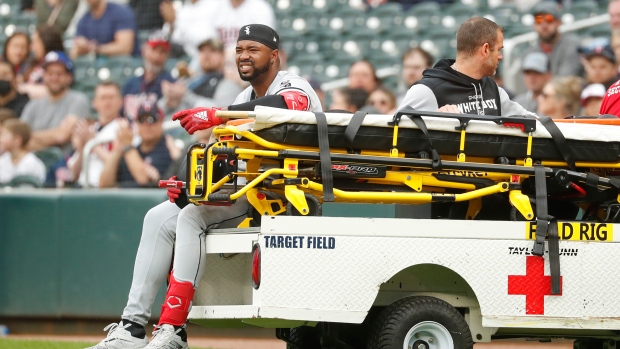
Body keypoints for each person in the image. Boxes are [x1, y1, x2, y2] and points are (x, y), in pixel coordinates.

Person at [85, 24, 321, 349]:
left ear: (274, 55)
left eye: (253, 49)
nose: (244, 56)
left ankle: (172, 329)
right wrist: (185, 184)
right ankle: (132, 327)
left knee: (190, 218)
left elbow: (287, 105)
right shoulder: (242, 97)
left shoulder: (293, 84)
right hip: (246, 191)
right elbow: (220, 155)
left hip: (285, 196)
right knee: (158, 216)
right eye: (239, 50)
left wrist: (217, 113)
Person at [398, 17, 531, 117]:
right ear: (485, 50)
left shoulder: (492, 88)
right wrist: (435, 123)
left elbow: (532, 122)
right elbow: (394, 134)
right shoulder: (426, 90)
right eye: (498, 50)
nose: (500, 56)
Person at [20, 51, 90, 152]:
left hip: (63, 162)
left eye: (59, 74)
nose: (54, 78)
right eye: (50, 73)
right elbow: (20, 137)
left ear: (69, 77)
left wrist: (31, 136)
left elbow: (61, 136)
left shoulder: (78, 100)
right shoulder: (33, 104)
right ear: (44, 76)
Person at [99, 100, 178, 188]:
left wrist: (128, 146)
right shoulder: (131, 149)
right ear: (136, 124)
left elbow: (144, 180)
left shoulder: (167, 149)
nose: (146, 124)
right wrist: (116, 151)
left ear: (161, 122)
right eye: (141, 120)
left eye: (152, 119)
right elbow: (104, 185)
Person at [159, 38, 242, 119]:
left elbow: (220, 113)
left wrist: (185, 96)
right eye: (202, 51)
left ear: (223, 55)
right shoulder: (189, 79)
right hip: (176, 124)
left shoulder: (228, 82)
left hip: (204, 129)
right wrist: (169, 100)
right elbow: (160, 109)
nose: (206, 55)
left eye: (212, 51)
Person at [67, 81, 125, 187]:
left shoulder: (125, 128)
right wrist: (81, 148)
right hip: (81, 187)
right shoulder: (89, 129)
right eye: (103, 98)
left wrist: (92, 143)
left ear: (120, 101)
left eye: (111, 98)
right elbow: (73, 173)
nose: (107, 102)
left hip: (104, 189)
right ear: (94, 103)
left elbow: (120, 167)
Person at [122, 31, 175, 120]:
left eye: (162, 52)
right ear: (144, 51)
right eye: (154, 50)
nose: (157, 57)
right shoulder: (130, 83)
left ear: (167, 55)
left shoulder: (171, 83)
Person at [524, 1, 583, 77]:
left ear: (558, 22)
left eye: (549, 19)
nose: (544, 25)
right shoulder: (531, 52)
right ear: (534, 25)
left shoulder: (572, 44)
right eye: (539, 20)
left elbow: (565, 79)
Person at [70, 0, 139, 58]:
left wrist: (97, 49)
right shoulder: (84, 20)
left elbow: (125, 48)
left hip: (124, 68)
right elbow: (74, 53)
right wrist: (82, 48)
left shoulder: (121, 13)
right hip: (95, 69)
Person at [19, 24, 65, 99]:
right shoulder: (31, 63)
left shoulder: (59, 61)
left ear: (46, 41)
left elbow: (53, 91)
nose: (31, 47)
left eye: (35, 42)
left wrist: (23, 88)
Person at [0, 119, 47, 186]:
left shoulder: (33, 163)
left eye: (4, 136)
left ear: (17, 141)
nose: (0, 140)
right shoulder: (2, 160)